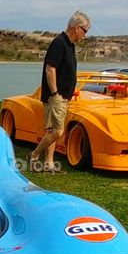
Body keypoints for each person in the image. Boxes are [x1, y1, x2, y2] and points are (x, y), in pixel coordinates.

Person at [30, 11, 91, 172]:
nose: (85, 35)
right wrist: (55, 93)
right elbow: (50, 69)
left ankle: (48, 163)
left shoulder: (70, 46)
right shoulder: (59, 43)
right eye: (85, 31)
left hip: (64, 96)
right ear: (77, 28)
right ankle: (35, 155)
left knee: (52, 130)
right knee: (58, 132)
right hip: (56, 96)